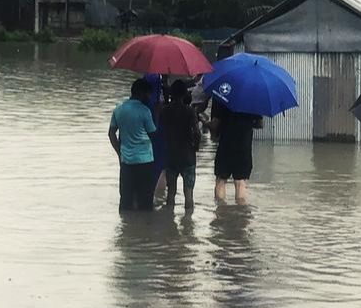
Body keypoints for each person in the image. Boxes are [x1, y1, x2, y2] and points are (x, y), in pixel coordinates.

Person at [109, 78, 158, 211]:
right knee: (145, 202)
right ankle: (144, 223)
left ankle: (126, 223)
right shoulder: (145, 111)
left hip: (126, 161)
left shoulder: (118, 109)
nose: (149, 97)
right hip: (145, 161)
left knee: (126, 201)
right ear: (141, 93)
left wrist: (119, 152)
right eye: (148, 94)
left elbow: (111, 133)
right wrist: (157, 114)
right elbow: (153, 135)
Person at [209, 98, 263, 203]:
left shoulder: (221, 94)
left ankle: (221, 209)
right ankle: (240, 211)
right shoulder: (253, 98)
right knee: (240, 182)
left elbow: (215, 124)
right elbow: (260, 124)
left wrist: (205, 123)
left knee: (221, 180)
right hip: (244, 145)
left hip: (225, 144)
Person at [161, 80, 202, 210]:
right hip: (187, 156)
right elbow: (197, 133)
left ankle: (169, 219)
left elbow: (160, 132)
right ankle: (188, 220)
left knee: (171, 193)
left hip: (171, 156)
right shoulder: (190, 111)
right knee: (188, 195)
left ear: (171, 94)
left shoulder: (165, 111)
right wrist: (196, 147)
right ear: (185, 94)